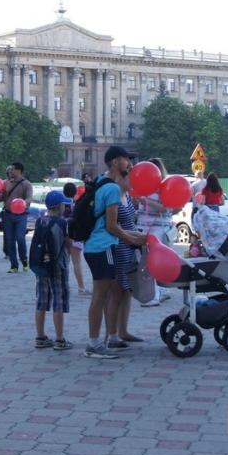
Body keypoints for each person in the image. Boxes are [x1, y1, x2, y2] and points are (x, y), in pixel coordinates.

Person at [83, 145, 147, 359]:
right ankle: (93, 344)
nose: (129, 163)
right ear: (115, 162)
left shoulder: (102, 181)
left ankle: (108, 339)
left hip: (97, 245)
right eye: (126, 159)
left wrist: (135, 236)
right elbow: (111, 226)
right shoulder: (110, 188)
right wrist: (133, 239)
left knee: (109, 294)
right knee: (101, 296)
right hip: (102, 246)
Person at [33, 190, 75, 350]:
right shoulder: (62, 223)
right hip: (59, 266)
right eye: (64, 204)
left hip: (42, 266)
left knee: (41, 301)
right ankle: (59, 339)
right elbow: (69, 243)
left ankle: (40, 336)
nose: (65, 206)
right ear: (59, 207)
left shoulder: (39, 221)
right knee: (59, 301)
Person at [136, 157, 175, 307]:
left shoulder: (163, 186)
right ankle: (162, 290)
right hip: (143, 227)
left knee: (151, 262)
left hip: (158, 228)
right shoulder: (145, 185)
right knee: (147, 261)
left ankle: (154, 295)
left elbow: (166, 207)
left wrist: (147, 202)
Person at [112, 173, 142, 344]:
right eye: (131, 179)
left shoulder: (127, 196)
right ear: (121, 179)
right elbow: (113, 226)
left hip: (131, 245)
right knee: (117, 291)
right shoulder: (114, 196)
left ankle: (123, 330)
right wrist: (135, 234)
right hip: (120, 245)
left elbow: (130, 219)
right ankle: (112, 334)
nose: (134, 183)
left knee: (128, 291)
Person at [0, 162, 33, 273]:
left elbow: (29, 199)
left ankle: (24, 260)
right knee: (10, 241)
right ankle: (14, 265)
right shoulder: (7, 183)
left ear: (19, 171)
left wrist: (21, 203)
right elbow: (1, 198)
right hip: (8, 215)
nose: (10, 171)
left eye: (12, 169)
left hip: (21, 216)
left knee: (20, 238)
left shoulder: (27, 184)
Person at [62, 182, 90, 295]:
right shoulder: (77, 204)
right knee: (77, 262)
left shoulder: (62, 204)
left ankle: (63, 286)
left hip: (63, 233)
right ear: (75, 191)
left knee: (65, 262)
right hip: (75, 235)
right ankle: (81, 287)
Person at [1, 165, 13, 259]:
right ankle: (7, 251)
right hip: (7, 210)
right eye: (9, 172)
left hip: (18, 211)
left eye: (12, 171)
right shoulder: (4, 183)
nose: (10, 173)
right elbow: (0, 196)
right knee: (7, 233)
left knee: (18, 234)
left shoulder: (20, 182)